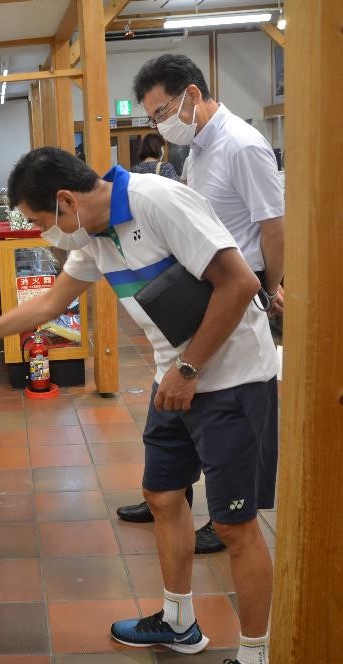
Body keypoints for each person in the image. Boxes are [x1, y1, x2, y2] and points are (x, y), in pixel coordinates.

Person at [0, 147, 278, 664]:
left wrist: (190, 370)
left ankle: (256, 655)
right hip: (174, 377)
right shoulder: (93, 238)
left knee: (234, 525)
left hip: (231, 378)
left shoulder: (156, 199)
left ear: (66, 200)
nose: (41, 232)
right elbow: (50, 303)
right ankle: (179, 622)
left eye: (39, 221)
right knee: (163, 496)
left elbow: (240, 282)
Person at [115, 54, 285, 553]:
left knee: (219, 399)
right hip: (200, 283)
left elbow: (273, 228)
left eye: (161, 111)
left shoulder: (243, 145)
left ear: (191, 94)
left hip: (239, 284)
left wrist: (269, 290)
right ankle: (171, 494)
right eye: (151, 118)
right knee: (180, 393)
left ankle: (225, 515)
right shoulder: (198, 151)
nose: (159, 124)